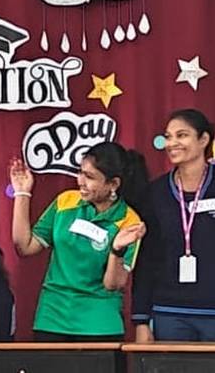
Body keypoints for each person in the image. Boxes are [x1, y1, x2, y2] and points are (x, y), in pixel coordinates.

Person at [130, 109, 215, 343]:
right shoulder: (155, 193)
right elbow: (146, 260)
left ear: (203, 140)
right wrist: (141, 320)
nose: (172, 143)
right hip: (168, 312)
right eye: (168, 137)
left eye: (182, 135)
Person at [10, 141, 148, 342]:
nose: (80, 181)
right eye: (80, 172)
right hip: (52, 318)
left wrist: (117, 249)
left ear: (113, 184)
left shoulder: (129, 221)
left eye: (90, 177)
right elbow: (25, 246)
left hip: (99, 324)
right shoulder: (65, 202)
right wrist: (22, 193)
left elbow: (112, 284)